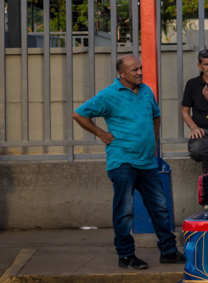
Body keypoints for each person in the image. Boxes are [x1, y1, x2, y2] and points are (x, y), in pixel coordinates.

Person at [72, 55, 185, 270]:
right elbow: (78, 114)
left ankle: (168, 252)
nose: (140, 72)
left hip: (147, 161)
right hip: (122, 162)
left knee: (160, 208)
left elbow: (156, 115)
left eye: (141, 68)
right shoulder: (108, 95)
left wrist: (155, 140)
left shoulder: (147, 91)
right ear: (121, 73)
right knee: (124, 211)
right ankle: (126, 256)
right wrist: (102, 134)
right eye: (134, 70)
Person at [182, 49, 208, 166]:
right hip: (203, 132)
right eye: (206, 64)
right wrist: (194, 128)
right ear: (199, 66)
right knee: (197, 150)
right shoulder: (192, 84)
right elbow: (185, 111)